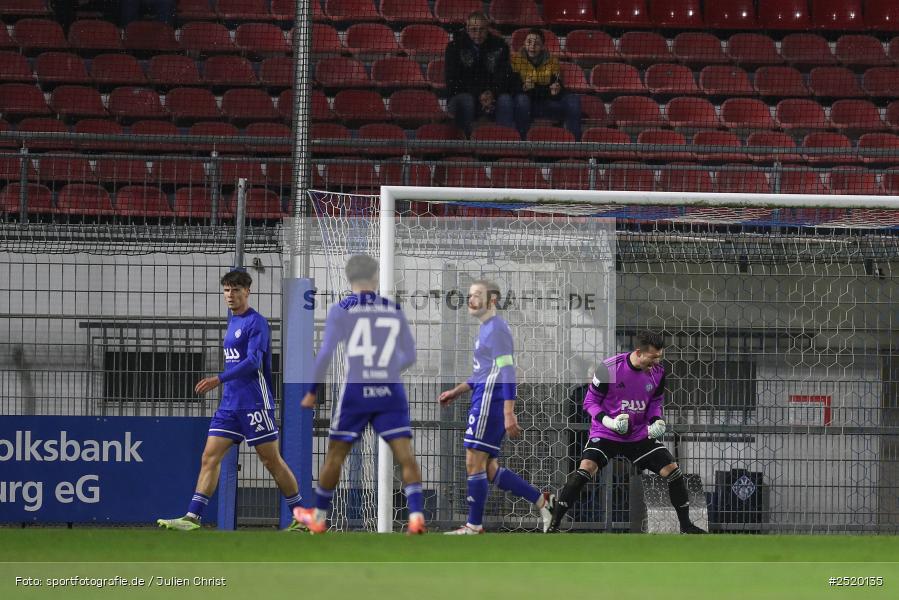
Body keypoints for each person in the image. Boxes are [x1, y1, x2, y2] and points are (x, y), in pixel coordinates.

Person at [157, 270, 303, 531]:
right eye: (226, 290)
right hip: (229, 406)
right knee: (208, 458)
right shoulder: (233, 322)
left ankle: (303, 518)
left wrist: (219, 379)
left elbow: (253, 362)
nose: (230, 295)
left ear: (247, 291)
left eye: (235, 290)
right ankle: (192, 518)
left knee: (272, 461)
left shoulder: (256, 323)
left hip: (254, 403)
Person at [293, 255, 426, 535]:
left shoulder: (341, 310)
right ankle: (415, 515)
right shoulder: (392, 308)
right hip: (390, 390)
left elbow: (326, 354)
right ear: (376, 277)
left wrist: (311, 392)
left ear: (348, 278)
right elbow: (410, 355)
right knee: (405, 456)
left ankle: (318, 516)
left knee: (335, 456)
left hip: (356, 390)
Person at [547, 331, 706, 534]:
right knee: (586, 468)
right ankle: (554, 525)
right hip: (607, 433)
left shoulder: (658, 372)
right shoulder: (610, 368)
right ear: (639, 352)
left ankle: (686, 526)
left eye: (659, 357)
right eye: (653, 357)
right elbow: (590, 402)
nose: (657, 362)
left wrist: (656, 420)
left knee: (673, 471)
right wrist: (610, 422)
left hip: (637, 435)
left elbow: (655, 403)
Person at [438, 280, 555, 534]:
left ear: (492, 300)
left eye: (477, 295)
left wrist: (508, 411)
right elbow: (483, 372)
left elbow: (508, 370)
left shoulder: (497, 329)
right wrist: (457, 391)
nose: (471, 299)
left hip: (490, 403)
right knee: (489, 468)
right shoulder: (486, 329)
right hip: (483, 398)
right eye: (469, 295)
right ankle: (543, 501)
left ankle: (474, 525)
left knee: (473, 461)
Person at [444, 12, 517, 137]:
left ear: (488, 28)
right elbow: (453, 80)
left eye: (482, 30)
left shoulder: (500, 46)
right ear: (467, 29)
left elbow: (504, 75)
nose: (477, 34)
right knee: (467, 101)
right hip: (462, 95)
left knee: (505, 100)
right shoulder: (454, 47)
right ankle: (464, 142)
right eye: (473, 30)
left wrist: (492, 93)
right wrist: (479, 93)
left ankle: (503, 142)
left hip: (491, 96)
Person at [510, 29, 582, 141]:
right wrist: (524, 88)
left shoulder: (552, 61)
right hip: (526, 106)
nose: (532, 46)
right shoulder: (515, 61)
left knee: (573, 99)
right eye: (529, 42)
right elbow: (513, 87)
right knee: (521, 100)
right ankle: (521, 142)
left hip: (547, 104)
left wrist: (556, 91)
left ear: (543, 46)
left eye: (537, 43)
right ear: (524, 44)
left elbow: (556, 86)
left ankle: (575, 144)